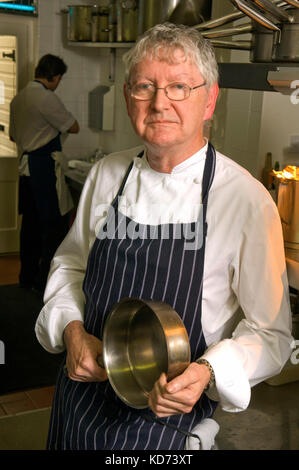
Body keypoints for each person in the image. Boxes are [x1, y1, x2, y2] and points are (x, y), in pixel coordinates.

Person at [35, 24, 293, 450]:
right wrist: (72, 330)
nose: (159, 103)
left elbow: (272, 335)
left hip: (164, 431)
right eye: (144, 87)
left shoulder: (244, 199)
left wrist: (208, 372)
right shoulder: (106, 175)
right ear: (128, 98)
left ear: (209, 100)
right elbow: (71, 266)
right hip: (77, 411)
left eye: (179, 86)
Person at [9, 54, 79, 294]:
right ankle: (42, 284)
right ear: (55, 76)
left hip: (25, 169)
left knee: (29, 226)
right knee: (52, 227)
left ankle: (25, 278)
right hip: (43, 170)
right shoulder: (47, 99)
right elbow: (74, 126)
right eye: (59, 78)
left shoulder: (18, 99)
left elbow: (12, 136)